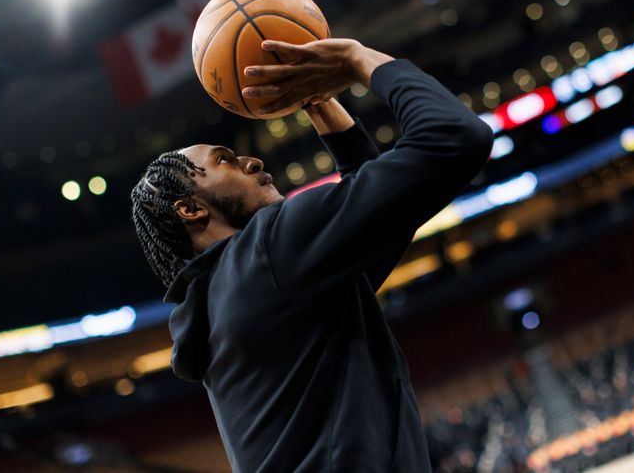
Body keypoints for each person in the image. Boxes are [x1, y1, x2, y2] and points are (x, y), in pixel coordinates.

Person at [130, 38, 493, 472]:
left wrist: (317, 99)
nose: (251, 161)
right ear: (190, 209)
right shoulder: (267, 254)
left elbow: (385, 216)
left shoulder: (232, 297)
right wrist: (356, 59)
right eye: (224, 161)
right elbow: (456, 137)